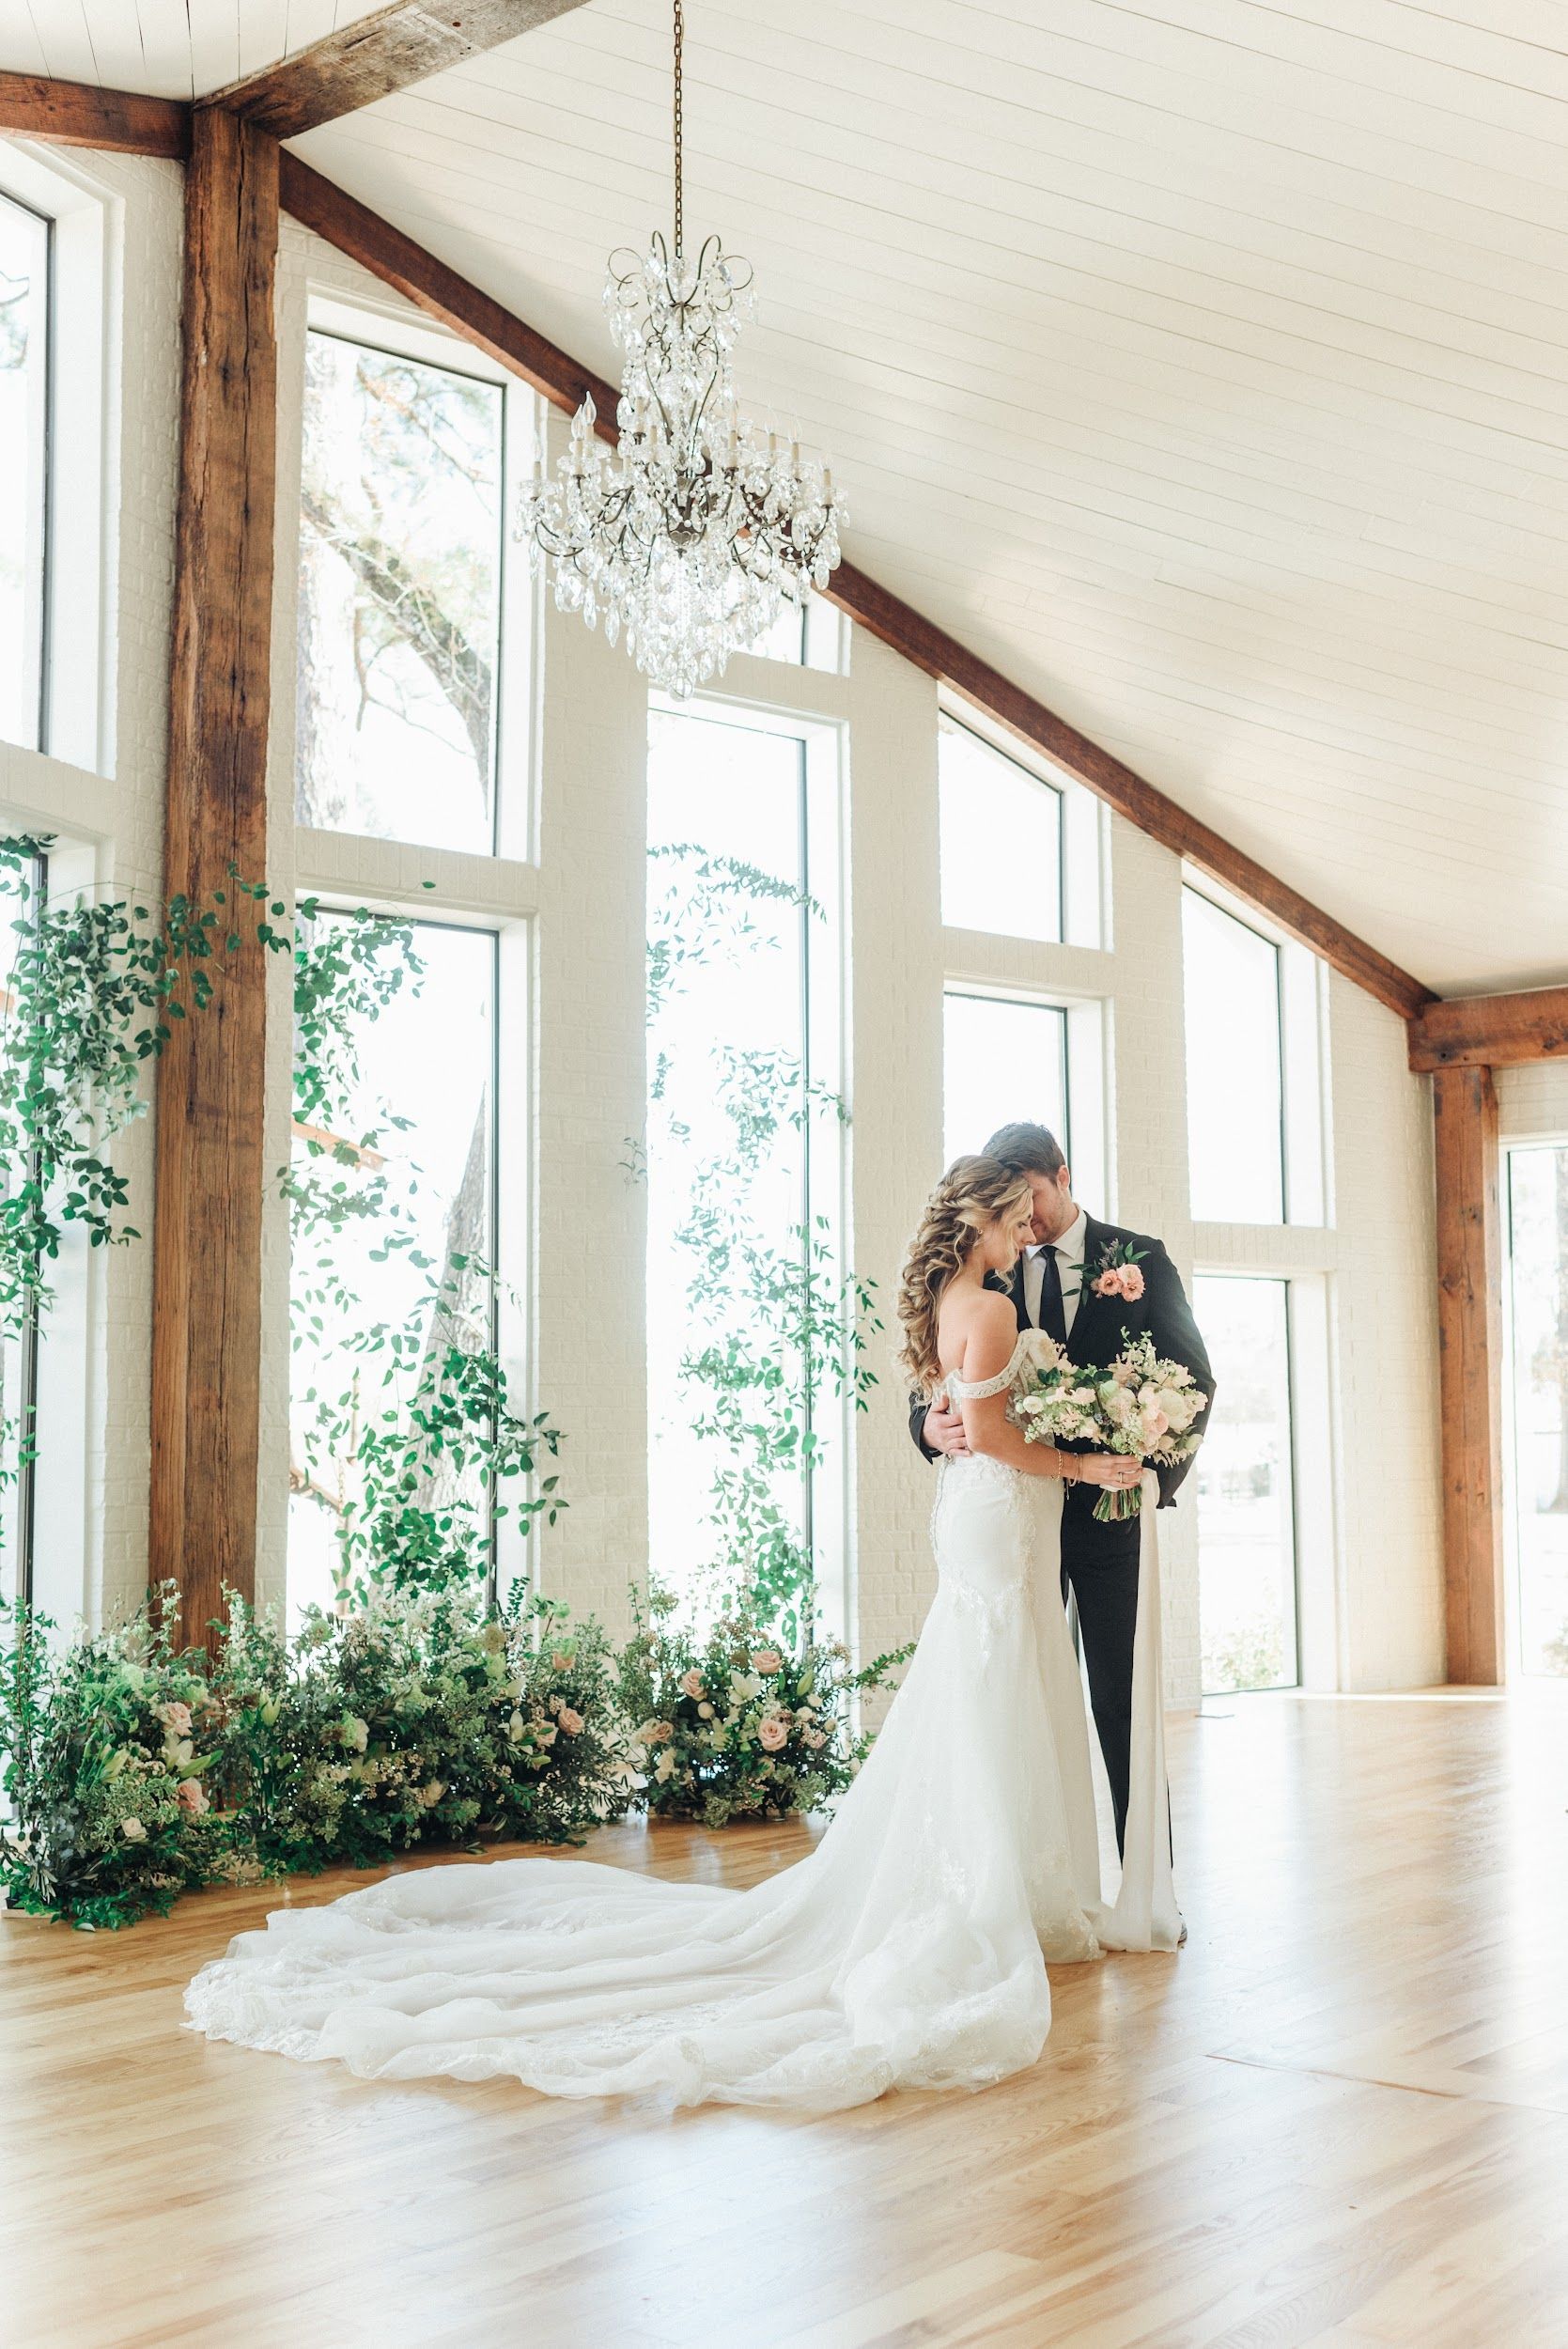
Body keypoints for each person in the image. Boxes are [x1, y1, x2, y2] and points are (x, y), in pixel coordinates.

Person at [184, 1159, 1158, 2114]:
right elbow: (983, 1434)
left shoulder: (959, 1297)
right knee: (984, 1681)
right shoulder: (986, 1305)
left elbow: (967, 1411)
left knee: (978, 1683)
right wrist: (1087, 1463)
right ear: (984, 1215)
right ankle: (984, 1895)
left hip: (983, 1516)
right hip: (995, 1508)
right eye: (1016, 1217)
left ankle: (1000, 1883)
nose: (1029, 1231)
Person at [910, 1123, 1214, 1859]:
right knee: (1022, 1695)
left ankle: (1146, 1876)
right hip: (1014, 1514)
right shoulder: (986, 1265)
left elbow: (1191, 1379)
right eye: (1014, 1208)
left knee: (1119, 1698)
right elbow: (934, 1382)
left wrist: (1145, 1477)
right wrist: (930, 1430)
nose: (1028, 1220)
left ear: (1063, 1175)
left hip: (1106, 1512)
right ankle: (1035, 1868)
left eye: (1036, 1198)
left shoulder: (1137, 1258)